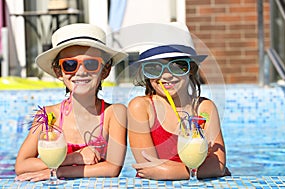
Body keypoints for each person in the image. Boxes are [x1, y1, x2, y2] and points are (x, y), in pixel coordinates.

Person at [15, 23, 128, 181]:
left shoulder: (114, 113)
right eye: (70, 65)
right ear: (58, 72)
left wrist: (57, 171)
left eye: (91, 64)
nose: (81, 72)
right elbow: (22, 165)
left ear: (105, 71)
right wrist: (74, 158)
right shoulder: (48, 115)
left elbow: (112, 168)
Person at [127, 22, 230, 180]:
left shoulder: (204, 109)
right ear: (146, 74)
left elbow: (218, 166)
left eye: (177, 65)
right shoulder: (141, 108)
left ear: (192, 69)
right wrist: (201, 170)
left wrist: (168, 170)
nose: (166, 76)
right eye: (154, 68)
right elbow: (147, 166)